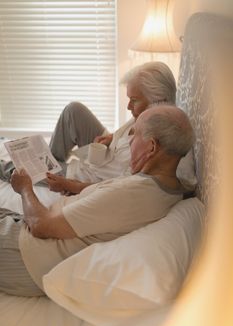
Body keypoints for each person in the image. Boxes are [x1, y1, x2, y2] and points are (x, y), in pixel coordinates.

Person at [0, 104, 194, 297]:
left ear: (151, 147)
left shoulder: (130, 194)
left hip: (25, 252)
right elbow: (109, 195)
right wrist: (74, 186)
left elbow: (40, 225)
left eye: (134, 136)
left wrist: (24, 188)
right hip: (32, 237)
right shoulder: (170, 186)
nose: (130, 142)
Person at [0, 62, 177, 193]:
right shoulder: (147, 115)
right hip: (104, 155)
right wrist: (112, 138)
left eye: (134, 100)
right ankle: (50, 159)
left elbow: (116, 191)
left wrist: (71, 186)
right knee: (74, 110)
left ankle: (40, 166)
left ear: (157, 100)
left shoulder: (154, 149)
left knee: (16, 169)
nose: (128, 106)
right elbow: (125, 135)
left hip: (89, 175)